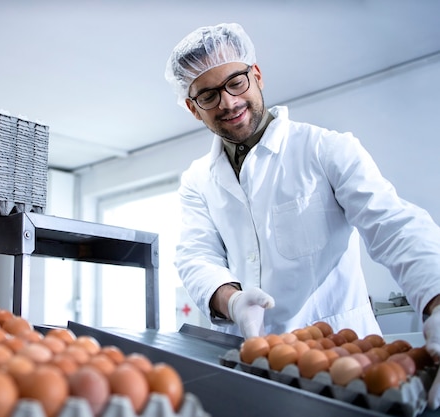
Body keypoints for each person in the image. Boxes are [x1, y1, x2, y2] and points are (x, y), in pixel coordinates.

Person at [165, 22, 440, 408]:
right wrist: (232, 302)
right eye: (208, 95)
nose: (227, 102)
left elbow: (393, 224)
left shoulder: (326, 149)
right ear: (194, 109)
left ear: (256, 76)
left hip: (349, 365)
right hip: (262, 365)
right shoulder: (197, 180)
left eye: (235, 83)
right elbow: (197, 256)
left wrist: (436, 301)